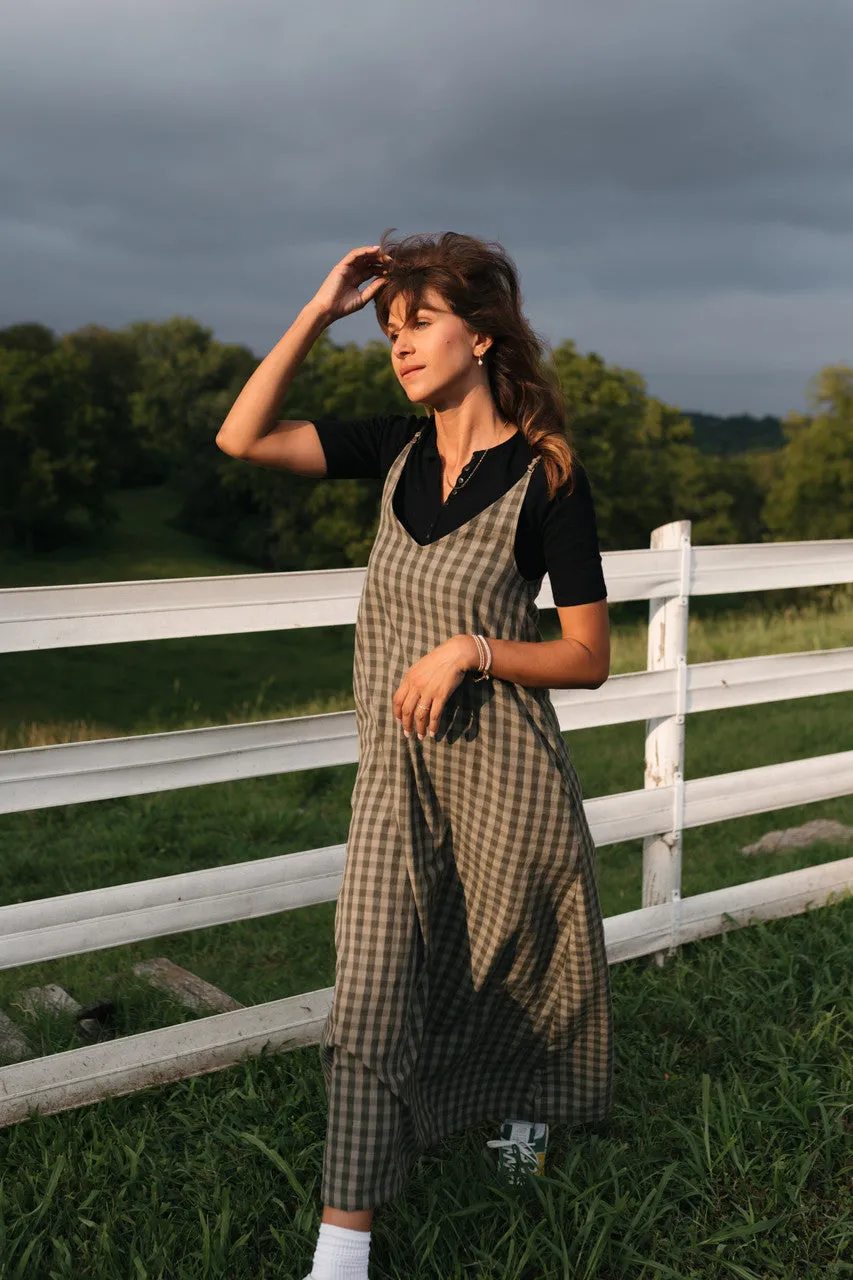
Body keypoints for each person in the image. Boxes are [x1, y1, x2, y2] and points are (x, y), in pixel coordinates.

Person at [216, 231, 614, 1280]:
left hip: (507, 781)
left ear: (480, 336)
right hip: (396, 784)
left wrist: (477, 648)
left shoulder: (547, 478)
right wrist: (318, 309)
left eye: (419, 322)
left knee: (511, 967)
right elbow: (241, 437)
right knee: (375, 989)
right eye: (389, 331)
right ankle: (341, 1253)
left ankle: (520, 1114)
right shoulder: (389, 448)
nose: (398, 346)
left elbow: (588, 655)